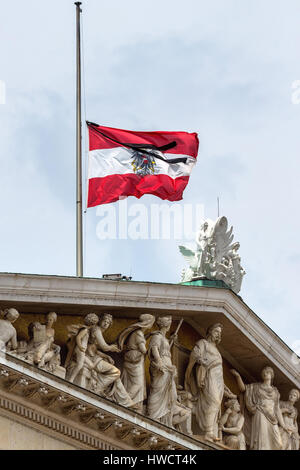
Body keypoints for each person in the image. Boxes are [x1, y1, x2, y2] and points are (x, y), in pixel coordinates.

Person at [185, 323, 234, 441]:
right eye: (216, 331)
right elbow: (195, 354)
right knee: (214, 401)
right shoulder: (203, 343)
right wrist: (201, 360)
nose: (218, 334)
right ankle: (208, 432)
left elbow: (220, 370)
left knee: (216, 404)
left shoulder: (217, 350)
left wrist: (224, 385)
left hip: (218, 380)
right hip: (208, 376)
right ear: (210, 331)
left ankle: (210, 431)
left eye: (220, 333)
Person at [147, 316, 191, 431]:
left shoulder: (164, 338)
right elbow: (154, 349)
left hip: (168, 367)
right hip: (162, 367)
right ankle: (154, 416)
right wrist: (160, 363)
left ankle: (166, 420)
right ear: (166, 324)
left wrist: (171, 339)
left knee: (171, 394)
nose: (170, 324)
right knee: (158, 390)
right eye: (169, 322)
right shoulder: (157, 336)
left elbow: (165, 349)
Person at [231, 366, 290, 450]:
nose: (265, 374)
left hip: (272, 418)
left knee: (278, 444)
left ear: (271, 375)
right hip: (260, 413)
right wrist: (237, 376)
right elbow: (243, 389)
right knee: (261, 441)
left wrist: (283, 425)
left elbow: (277, 409)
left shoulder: (275, 392)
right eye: (264, 372)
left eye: (267, 372)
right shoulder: (256, 387)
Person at [118, 314, 155, 412]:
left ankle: (130, 402)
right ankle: (124, 402)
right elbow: (143, 350)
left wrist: (148, 336)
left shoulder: (137, 333)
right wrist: (155, 351)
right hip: (134, 362)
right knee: (138, 384)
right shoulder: (138, 334)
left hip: (132, 360)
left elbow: (138, 343)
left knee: (134, 383)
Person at [65, 313, 99, 383]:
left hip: (82, 350)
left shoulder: (86, 330)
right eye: (95, 323)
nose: (94, 325)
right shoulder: (85, 330)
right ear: (92, 324)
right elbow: (78, 338)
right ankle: (71, 379)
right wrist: (80, 347)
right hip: (80, 350)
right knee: (80, 365)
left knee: (91, 366)